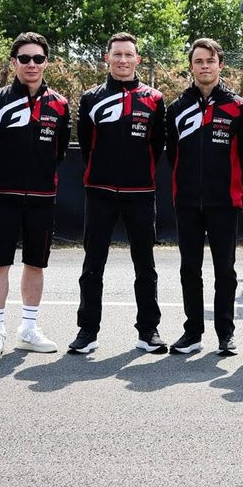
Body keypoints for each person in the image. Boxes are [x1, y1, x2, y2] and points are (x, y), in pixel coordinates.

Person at [0, 32, 70, 358]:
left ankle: (28, 329)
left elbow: (59, 151)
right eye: (25, 58)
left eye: (38, 58)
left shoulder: (60, 104)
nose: (32, 64)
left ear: (46, 62)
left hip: (42, 196)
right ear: (14, 62)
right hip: (2, 194)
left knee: (35, 263)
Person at [71, 32, 167, 355]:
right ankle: (87, 331)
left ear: (137, 59)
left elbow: (157, 145)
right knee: (92, 265)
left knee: (145, 266)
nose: (123, 60)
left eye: (129, 55)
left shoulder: (155, 99)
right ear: (107, 58)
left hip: (141, 193)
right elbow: (87, 144)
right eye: (117, 54)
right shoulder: (90, 98)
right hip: (99, 193)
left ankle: (148, 331)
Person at [165, 38, 243, 357]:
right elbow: (172, 155)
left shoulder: (238, 107)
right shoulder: (177, 108)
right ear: (191, 67)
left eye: (210, 61)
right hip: (187, 202)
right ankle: (193, 333)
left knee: (225, 271)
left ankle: (225, 334)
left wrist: (229, 184)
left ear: (221, 65)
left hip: (224, 202)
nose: (204, 66)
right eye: (198, 61)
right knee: (189, 269)